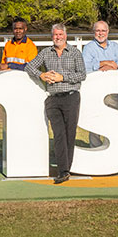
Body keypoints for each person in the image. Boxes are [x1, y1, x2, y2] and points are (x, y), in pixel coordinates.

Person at [26, 23, 87, 183]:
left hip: (71, 97)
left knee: (69, 134)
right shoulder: (46, 53)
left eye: (60, 34)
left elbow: (82, 74)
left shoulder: (75, 53)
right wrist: (41, 75)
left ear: (65, 36)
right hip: (53, 98)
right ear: (52, 36)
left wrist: (62, 77)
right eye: (55, 35)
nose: (58, 37)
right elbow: (29, 66)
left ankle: (68, 166)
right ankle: (63, 171)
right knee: (58, 134)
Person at [79, 20, 118, 148]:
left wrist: (109, 65)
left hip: (113, 90)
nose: (100, 33)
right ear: (94, 32)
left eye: (103, 30)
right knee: (96, 119)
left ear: (108, 32)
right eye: (98, 31)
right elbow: (85, 67)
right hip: (95, 91)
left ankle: (114, 147)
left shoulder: (115, 46)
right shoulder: (89, 48)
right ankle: (96, 147)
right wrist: (105, 63)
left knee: (114, 119)